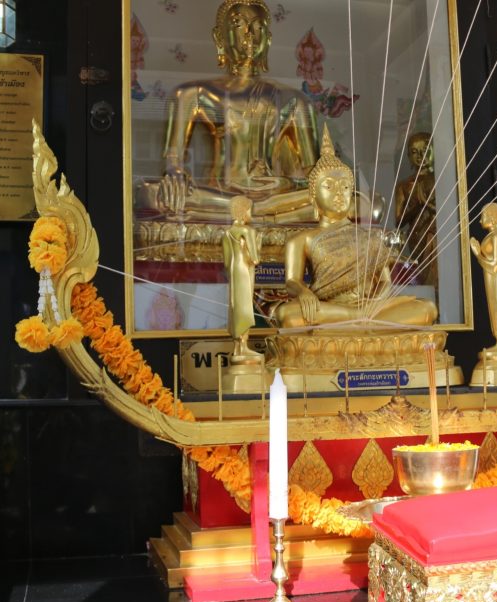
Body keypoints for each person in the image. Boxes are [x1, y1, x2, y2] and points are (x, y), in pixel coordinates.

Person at [137, 0, 319, 222]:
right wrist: (174, 174)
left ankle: (254, 211)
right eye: (239, 25)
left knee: (342, 197)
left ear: (268, 39)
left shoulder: (295, 100)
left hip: (274, 194)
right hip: (219, 193)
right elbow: (173, 159)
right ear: (219, 38)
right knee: (152, 193)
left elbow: (315, 176)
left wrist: (287, 183)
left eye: (258, 27)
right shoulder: (192, 94)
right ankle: (257, 213)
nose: (249, 34)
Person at [273, 127, 438, 329]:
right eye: (329, 186)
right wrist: (303, 292)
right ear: (313, 197)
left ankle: (356, 321)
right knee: (287, 314)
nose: (338, 193)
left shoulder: (370, 236)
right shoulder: (302, 239)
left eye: (344, 187)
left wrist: (374, 304)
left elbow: (385, 282)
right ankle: (358, 320)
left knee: (427, 308)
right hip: (329, 307)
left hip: (369, 307)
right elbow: (292, 281)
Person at [394, 132, 438, 284]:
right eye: (414, 152)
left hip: (436, 233)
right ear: (408, 156)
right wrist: (417, 205)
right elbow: (399, 221)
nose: (420, 156)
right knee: (423, 275)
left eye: (425, 150)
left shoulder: (441, 179)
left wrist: (429, 205)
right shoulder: (404, 186)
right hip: (418, 235)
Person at [221, 196, 261, 360]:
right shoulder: (248, 231)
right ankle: (243, 346)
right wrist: (259, 243)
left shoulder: (227, 233)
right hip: (245, 269)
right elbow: (255, 259)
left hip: (233, 269)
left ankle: (237, 346)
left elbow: (226, 262)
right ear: (243, 211)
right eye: (250, 210)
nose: (251, 214)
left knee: (235, 305)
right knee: (245, 305)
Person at [470, 202, 497, 352]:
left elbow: (496, 265)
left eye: (482, 216)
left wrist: (478, 254)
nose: (480, 220)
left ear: (491, 217)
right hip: (489, 274)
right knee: (492, 307)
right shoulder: (491, 235)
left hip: (495, 274)